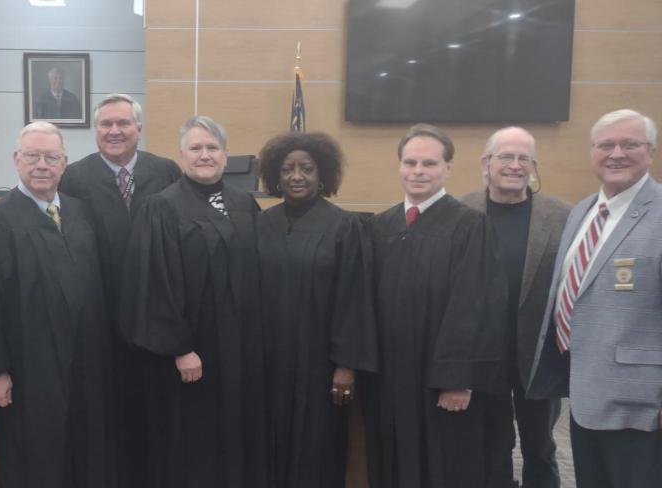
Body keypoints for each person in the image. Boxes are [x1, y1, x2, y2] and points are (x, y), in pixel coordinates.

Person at [0, 121, 117, 487]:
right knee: (34, 452)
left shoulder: (82, 214)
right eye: (32, 156)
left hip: (85, 362)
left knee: (85, 446)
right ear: (16, 160)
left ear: (65, 163)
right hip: (28, 367)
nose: (42, 165)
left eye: (51, 157)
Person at [119, 116, 266, 487]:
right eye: (196, 148)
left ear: (226, 155)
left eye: (212, 148)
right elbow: (153, 282)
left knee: (234, 431)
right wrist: (180, 348)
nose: (205, 155)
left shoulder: (245, 205)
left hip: (239, 351)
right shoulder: (161, 208)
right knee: (191, 440)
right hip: (190, 355)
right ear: (181, 155)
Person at [363, 123, 509, 488]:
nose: (418, 171)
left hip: (439, 379)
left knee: (444, 464)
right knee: (391, 456)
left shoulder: (471, 226)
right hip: (390, 377)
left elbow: (475, 305)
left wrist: (458, 378)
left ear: (448, 168)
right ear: (399, 167)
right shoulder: (381, 226)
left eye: (428, 163)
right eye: (410, 162)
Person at [527, 109, 662, 488]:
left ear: (650, 151)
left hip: (642, 406)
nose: (616, 153)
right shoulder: (583, 211)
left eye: (630, 144)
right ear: (592, 153)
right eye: (606, 145)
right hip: (585, 394)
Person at [59, 93, 181, 486]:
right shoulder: (74, 178)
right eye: (106, 124)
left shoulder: (166, 173)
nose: (114, 131)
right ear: (95, 130)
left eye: (123, 123)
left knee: (154, 410)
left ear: (138, 129)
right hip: (99, 319)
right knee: (104, 410)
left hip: (155, 317)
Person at [256, 132, 378, 487]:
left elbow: (355, 297)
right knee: (269, 440)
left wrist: (346, 366)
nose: (297, 176)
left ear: (321, 174)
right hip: (269, 362)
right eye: (288, 169)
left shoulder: (344, 226)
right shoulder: (261, 224)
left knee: (318, 447)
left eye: (306, 169)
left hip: (320, 366)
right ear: (275, 177)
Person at [460, 127, 569, 488]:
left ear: (534, 166)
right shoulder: (460, 211)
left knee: (540, 447)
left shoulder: (562, 216)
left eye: (524, 158)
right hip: (482, 355)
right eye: (505, 156)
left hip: (539, 357)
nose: (515, 165)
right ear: (486, 163)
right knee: (492, 446)